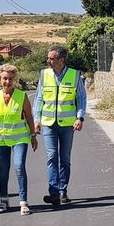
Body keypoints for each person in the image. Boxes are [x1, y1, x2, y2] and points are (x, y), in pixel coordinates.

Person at [33, 45, 86, 207]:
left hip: (68, 124)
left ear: (61, 60)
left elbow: (81, 98)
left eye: (51, 58)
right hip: (48, 124)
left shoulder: (75, 75)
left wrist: (80, 118)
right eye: (48, 58)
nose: (48, 61)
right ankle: (54, 193)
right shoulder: (44, 74)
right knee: (51, 157)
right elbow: (39, 99)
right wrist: (36, 120)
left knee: (65, 159)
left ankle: (63, 191)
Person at [0, 64, 39, 215]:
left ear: (15, 80)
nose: (7, 82)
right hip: (0, 139)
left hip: (20, 138)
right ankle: (4, 199)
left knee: (19, 166)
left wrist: (33, 136)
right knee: (3, 170)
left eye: (10, 79)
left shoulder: (22, 96)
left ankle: (23, 202)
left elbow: (29, 116)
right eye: (4, 79)